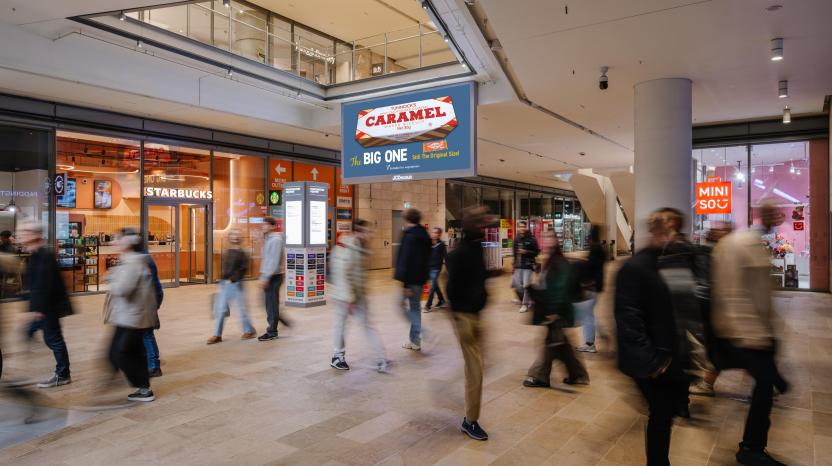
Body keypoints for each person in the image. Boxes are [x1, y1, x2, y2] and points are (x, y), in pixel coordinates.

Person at [712, 204, 789, 466]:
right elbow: (736, 293)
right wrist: (752, 331)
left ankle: (753, 445)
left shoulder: (745, 242)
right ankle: (751, 448)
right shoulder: (745, 244)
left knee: (764, 383)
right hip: (746, 332)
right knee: (764, 385)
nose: (778, 217)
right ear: (764, 216)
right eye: (774, 213)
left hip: (746, 330)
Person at [614, 209, 688, 466]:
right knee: (661, 414)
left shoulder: (663, 261)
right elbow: (628, 318)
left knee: (664, 414)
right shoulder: (636, 267)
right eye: (670, 231)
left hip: (664, 356)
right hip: (652, 362)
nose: (674, 236)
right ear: (659, 232)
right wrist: (652, 362)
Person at [446, 206, 497, 441]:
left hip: (476, 315)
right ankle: (470, 421)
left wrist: (491, 277)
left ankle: (468, 400)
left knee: (478, 366)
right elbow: (451, 288)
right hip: (465, 317)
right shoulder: (459, 253)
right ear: (473, 226)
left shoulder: (477, 248)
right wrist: (459, 316)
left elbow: (478, 277)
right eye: (481, 223)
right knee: (476, 369)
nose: (486, 227)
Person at [523, 232, 589, 388]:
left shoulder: (559, 262)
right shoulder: (551, 260)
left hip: (557, 310)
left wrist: (553, 311)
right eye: (544, 239)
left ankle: (541, 376)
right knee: (560, 343)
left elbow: (560, 288)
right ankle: (577, 374)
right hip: (554, 309)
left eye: (549, 239)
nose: (545, 242)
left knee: (551, 342)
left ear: (555, 242)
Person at [104, 228, 157, 402]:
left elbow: (123, 290)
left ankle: (141, 387)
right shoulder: (130, 260)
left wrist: (110, 278)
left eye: (118, 239)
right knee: (131, 352)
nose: (115, 242)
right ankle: (143, 388)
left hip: (131, 317)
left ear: (127, 242)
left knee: (120, 353)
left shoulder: (132, 262)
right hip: (128, 316)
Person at [18, 221, 73, 388]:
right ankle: (23, 369)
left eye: (25, 231)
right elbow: (34, 284)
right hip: (42, 308)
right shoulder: (35, 254)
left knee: (54, 340)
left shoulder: (45, 256)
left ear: (36, 235)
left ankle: (63, 374)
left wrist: (37, 310)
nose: (21, 234)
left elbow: (45, 285)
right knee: (31, 333)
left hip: (48, 308)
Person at [330, 219, 387, 372]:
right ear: (357, 232)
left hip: (358, 295)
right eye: (367, 232)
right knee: (341, 325)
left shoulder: (361, 248)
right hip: (344, 296)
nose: (370, 235)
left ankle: (381, 357)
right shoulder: (346, 248)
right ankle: (337, 356)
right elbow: (342, 273)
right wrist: (349, 298)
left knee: (367, 324)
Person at [208, 229, 256, 344]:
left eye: (238, 235)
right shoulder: (227, 251)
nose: (235, 236)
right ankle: (217, 335)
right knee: (220, 310)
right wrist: (221, 281)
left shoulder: (243, 253)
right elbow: (225, 268)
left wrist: (233, 279)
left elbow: (243, 269)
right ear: (229, 237)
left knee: (241, 309)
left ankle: (249, 331)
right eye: (233, 234)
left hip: (237, 284)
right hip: (225, 284)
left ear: (240, 238)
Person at [394, 208, 431, 351]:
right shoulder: (424, 235)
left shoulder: (409, 236)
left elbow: (405, 260)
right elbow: (428, 259)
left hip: (410, 281)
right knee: (415, 308)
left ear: (407, 219)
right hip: (420, 280)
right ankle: (415, 341)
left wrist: (405, 284)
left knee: (401, 306)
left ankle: (422, 332)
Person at [576, 225, 605, 353]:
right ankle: (597, 334)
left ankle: (590, 343)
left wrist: (580, 263)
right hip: (596, 286)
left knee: (586, 315)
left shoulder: (595, 249)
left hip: (591, 286)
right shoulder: (600, 248)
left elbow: (591, 267)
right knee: (588, 314)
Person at [258, 217, 286, 341]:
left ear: (273, 226)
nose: (263, 226)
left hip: (273, 276)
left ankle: (272, 332)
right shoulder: (268, 239)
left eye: (266, 224)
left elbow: (273, 262)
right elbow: (266, 259)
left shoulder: (275, 240)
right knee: (269, 304)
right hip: (269, 275)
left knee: (271, 305)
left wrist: (266, 277)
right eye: (263, 224)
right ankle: (276, 322)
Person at [143, 252, 164, 377]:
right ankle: (151, 363)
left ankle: (153, 366)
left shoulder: (143, 260)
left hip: (145, 304)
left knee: (147, 334)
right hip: (146, 304)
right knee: (146, 334)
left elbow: (154, 285)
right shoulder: (144, 258)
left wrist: (155, 304)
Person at [512, 221, 539, 313]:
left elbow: (536, 252)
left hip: (528, 265)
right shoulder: (516, 239)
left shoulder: (531, 239)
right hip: (518, 265)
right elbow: (514, 253)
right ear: (518, 228)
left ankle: (525, 304)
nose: (522, 228)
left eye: (523, 227)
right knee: (517, 285)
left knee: (526, 285)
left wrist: (526, 252)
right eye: (520, 227)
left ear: (526, 227)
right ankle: (530, 299)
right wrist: (514, 264)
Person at [424, 227, 447, 312]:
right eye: (432, 232)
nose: (433, 234)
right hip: (429, 267)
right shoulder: (429, 244)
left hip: (436, 268)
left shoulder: (441, 245)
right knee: (435, 285)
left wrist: (449, 268)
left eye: (436, 233)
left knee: (432, 287)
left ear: (439, 234)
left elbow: (446, 257)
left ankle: (428, 305)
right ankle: (442, 300)